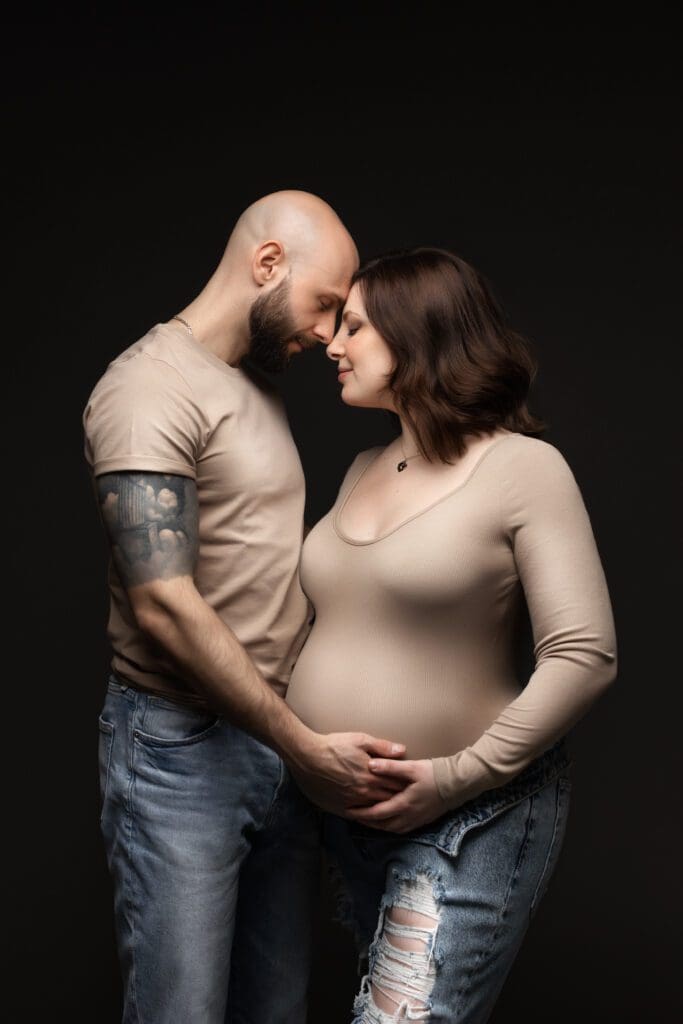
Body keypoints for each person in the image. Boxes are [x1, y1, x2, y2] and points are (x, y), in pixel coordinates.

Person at [82, 190, 410, 1024]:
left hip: (271, 745)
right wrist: (300, 743)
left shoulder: (248, 387)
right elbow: (162, 603)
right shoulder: (148, 386)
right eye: (326, 304)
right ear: (268, 265)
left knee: (275, 1008)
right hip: (180, 753)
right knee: (181, 1012)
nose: (331, 335)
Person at [285, 246, 618, 1023]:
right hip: (336, 824)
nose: (333, 345)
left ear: (417, 336)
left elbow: (584, 654)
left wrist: (456, 776)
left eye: (356, 327)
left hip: (468, 817)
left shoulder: (522, 468)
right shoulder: (364, 465)